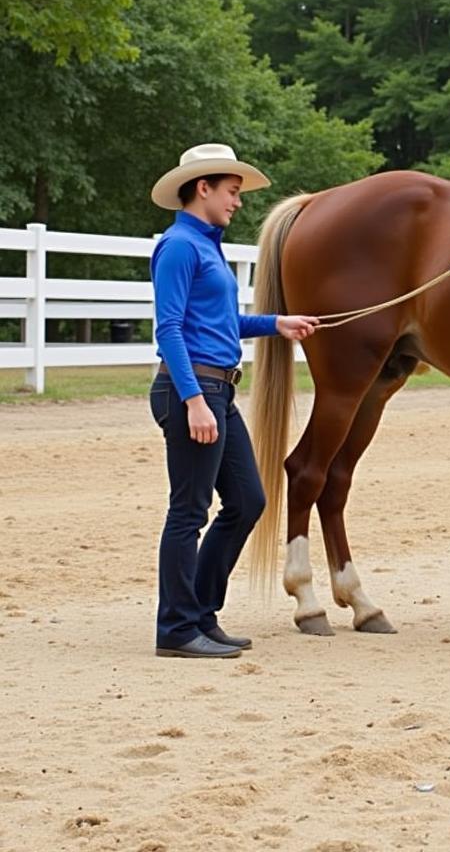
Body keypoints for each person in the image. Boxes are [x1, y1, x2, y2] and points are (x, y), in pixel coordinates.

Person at [148, 143, 318, 658]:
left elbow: (219, 324)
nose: (238, 202)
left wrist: (276, 325)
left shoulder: (206, 245)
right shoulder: (179, 246)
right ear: (204, 188)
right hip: (195, 392)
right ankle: (176, 629)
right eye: (232, 192)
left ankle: (200, 612)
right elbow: (169, 330)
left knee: (249, 501)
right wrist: (194, 400)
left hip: (218, 389)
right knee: (189, 511)